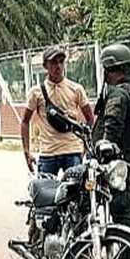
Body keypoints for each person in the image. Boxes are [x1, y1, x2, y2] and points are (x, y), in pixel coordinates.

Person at [94, 43, 130, 232]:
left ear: (109, 69)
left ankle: (127, 256)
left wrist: (104, 149)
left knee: (123, 210)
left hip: (121, 162)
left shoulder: (118, 94)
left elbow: (112, 129)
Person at [21, 46, 94, 175]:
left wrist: (85, 146)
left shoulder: (76, 89)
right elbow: (25, 121)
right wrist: (27, 152)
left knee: (76, 193)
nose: (58, 66)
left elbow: (90, 118)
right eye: (54, 62)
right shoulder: (36, 92)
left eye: (61, 61)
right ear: (45, 66)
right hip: (48, 153)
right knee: (43, 192)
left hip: (72, 151)